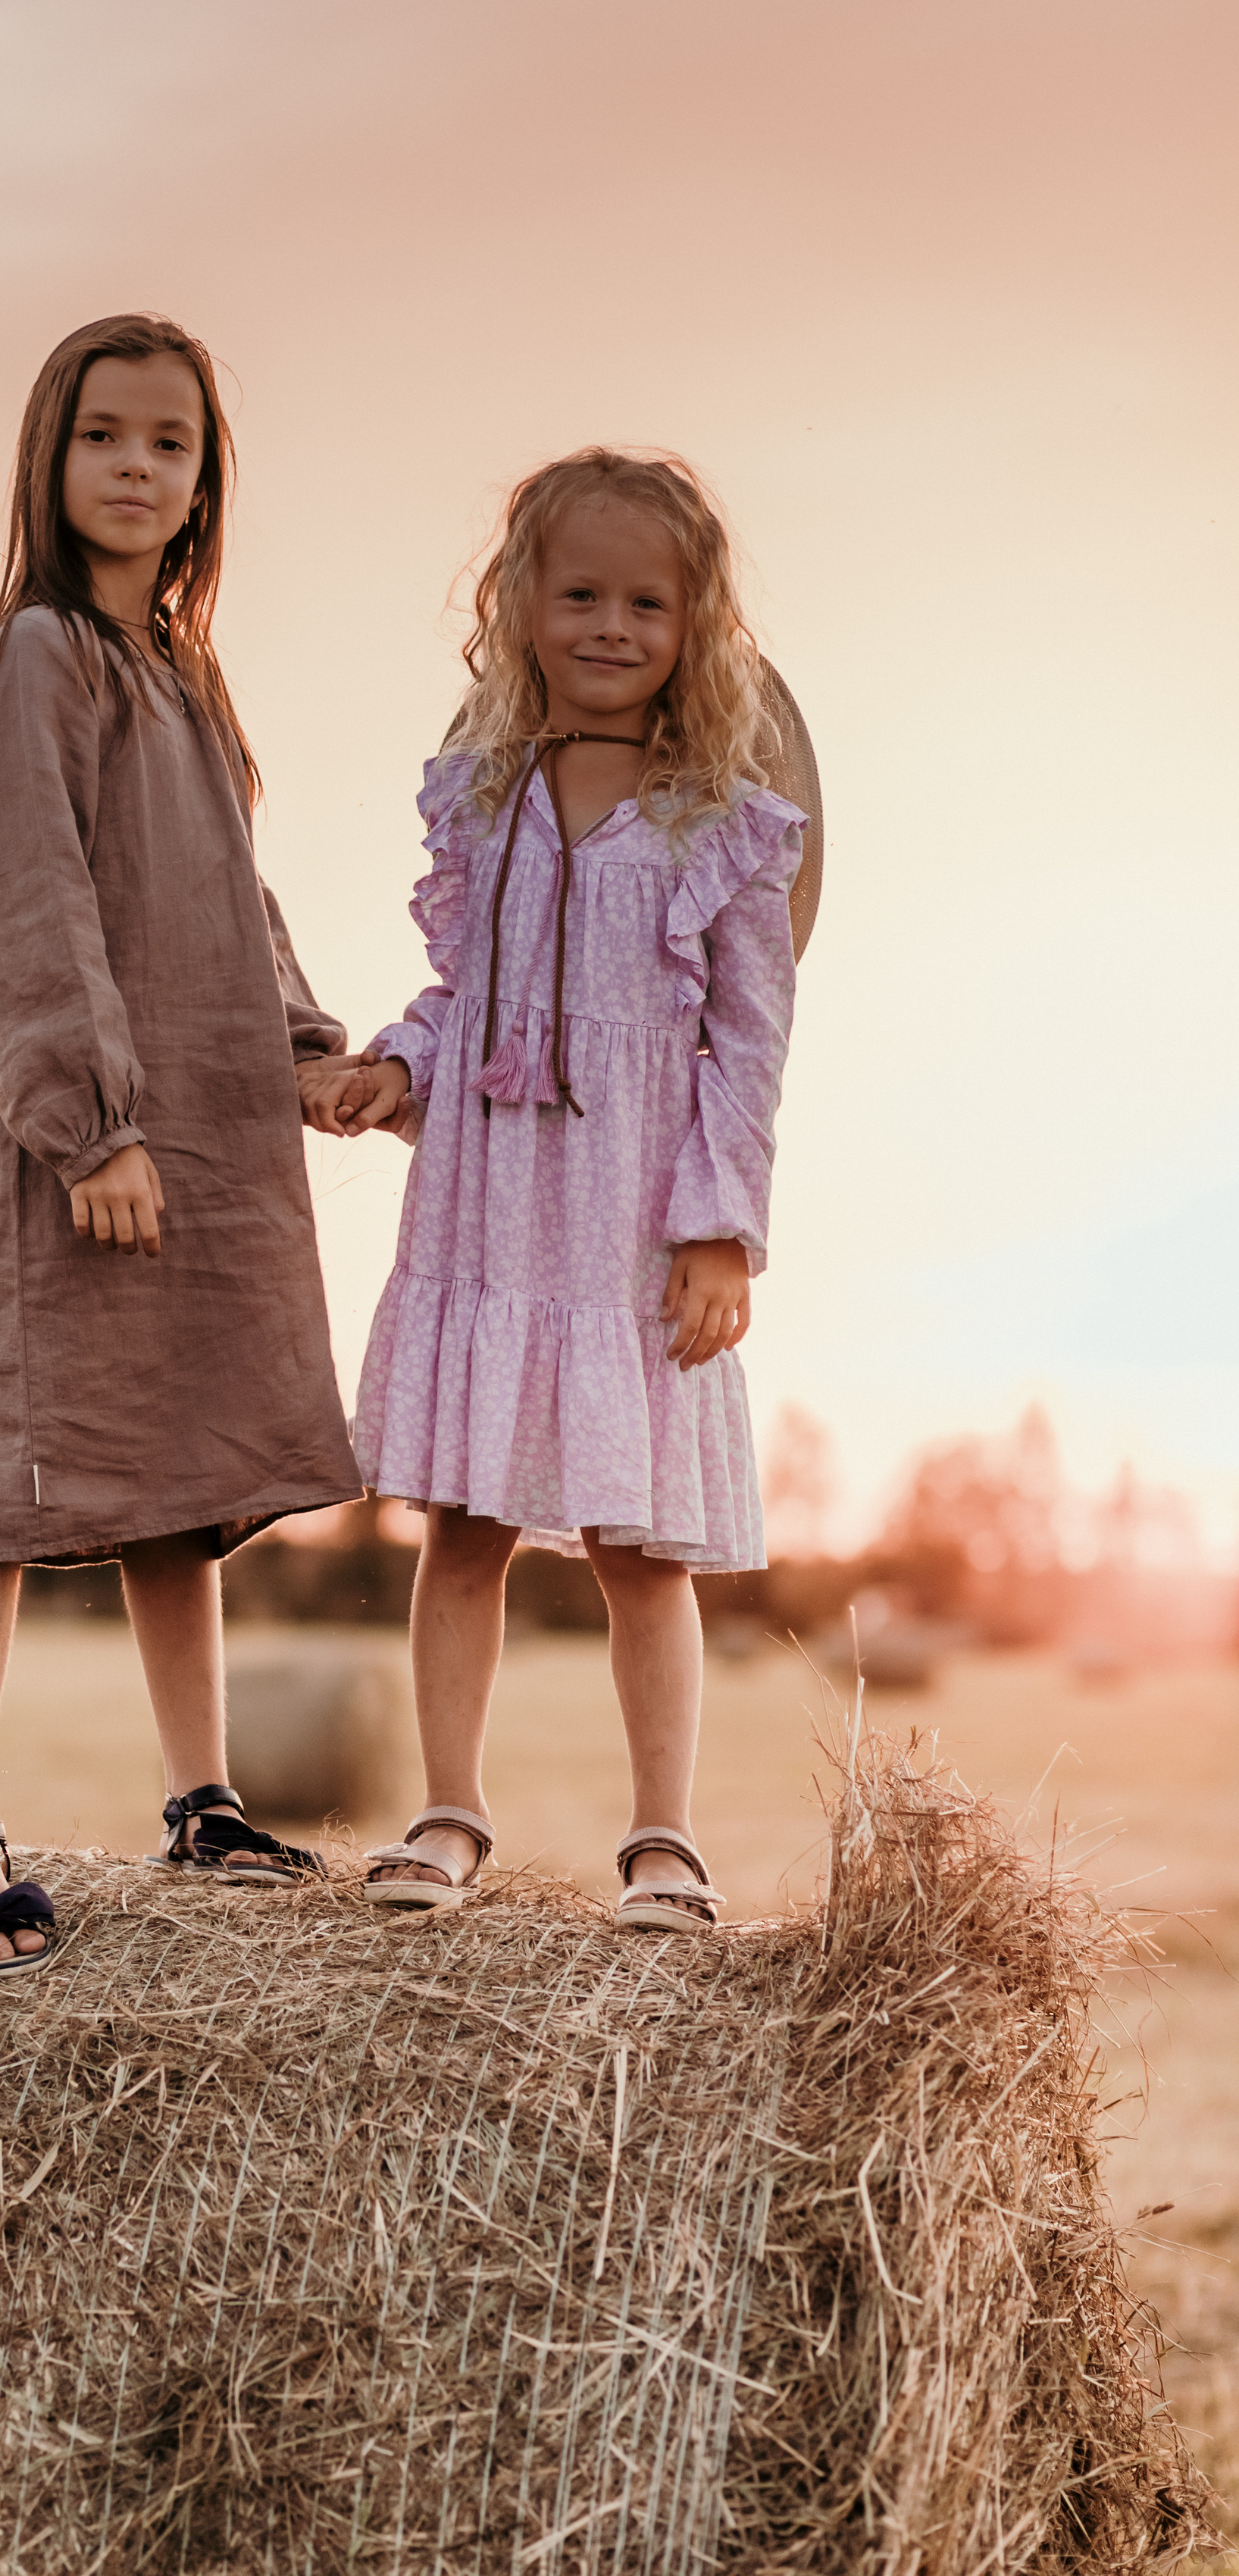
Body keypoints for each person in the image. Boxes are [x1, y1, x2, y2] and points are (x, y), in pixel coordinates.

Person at [0, 314, 365, 1977]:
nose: (136, 467)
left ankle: (202, 1794)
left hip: (196, 1126)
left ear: (204, 477)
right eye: (105, 436)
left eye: (169, 442)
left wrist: (304, 1048)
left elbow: (235, 893)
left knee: (185, 1460)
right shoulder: (40, 652)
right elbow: (24, 887)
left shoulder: (185, 676)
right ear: (49, 455)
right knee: (3, 1471)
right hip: (65, 1132)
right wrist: (85, 1122)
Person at [318, 449, 803, 1932]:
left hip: (629, 1219)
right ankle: (447, 1810)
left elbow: (748, 1040)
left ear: (692, 620)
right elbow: (461, 994)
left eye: (643, 601)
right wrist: (394, 1066)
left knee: (637, 1546)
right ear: (518, 604)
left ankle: (662, 1834)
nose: (607, 623)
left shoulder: (718, 816)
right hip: (488, 1205)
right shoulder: (479, 800)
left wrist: (719, 1227)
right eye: (576, 591)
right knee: (460, 1526)